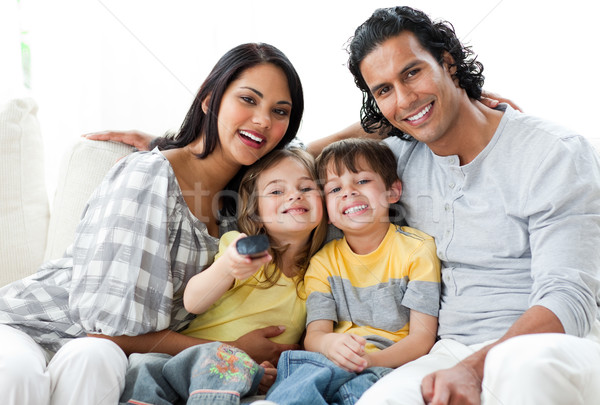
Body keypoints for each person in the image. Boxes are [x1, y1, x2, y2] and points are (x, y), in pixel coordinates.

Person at [310, 6, 600, 405]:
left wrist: (475, 368)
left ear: (448, 62)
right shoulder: (398, 161)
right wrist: (383, 118)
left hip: (549, 347)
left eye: (413, 72)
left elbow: (569, 298)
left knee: (527, 371)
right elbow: (291, 166)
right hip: (447, 351)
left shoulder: (554, 152)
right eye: (384, 89)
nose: (406, 97)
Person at [0, 42, 306, 405]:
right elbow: (106, 330)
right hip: (32, 328)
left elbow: (315, 160)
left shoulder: (245, 203)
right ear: (210, 99)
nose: (263, 121)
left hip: (96, 354)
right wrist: (230, 350)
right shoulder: (148, 176)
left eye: (280, 111)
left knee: (94, 361)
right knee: (18, 374)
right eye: (249, 100)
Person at [120, 147, 328, 404]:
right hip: (188, 360)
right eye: (276, 191)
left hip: (242, 374)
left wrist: (270, 372)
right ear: (256, 213)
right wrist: (227, 267)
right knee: (144, 367)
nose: (294, 195)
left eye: (306, 188)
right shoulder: (241, 249)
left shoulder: (320, 271)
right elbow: (193, 302)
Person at [265, 138, 441, 405]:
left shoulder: (417, 250)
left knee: (364, 390)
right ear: (327, 211)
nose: (348, 192)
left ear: (393, 192)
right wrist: (329, 344)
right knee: (304, 375)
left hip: (387, 363)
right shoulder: (323, 262)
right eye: (335, 189)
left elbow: (422, 338)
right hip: (329, 358)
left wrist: (370, 360)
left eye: (362, 181)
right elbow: (315, 335)